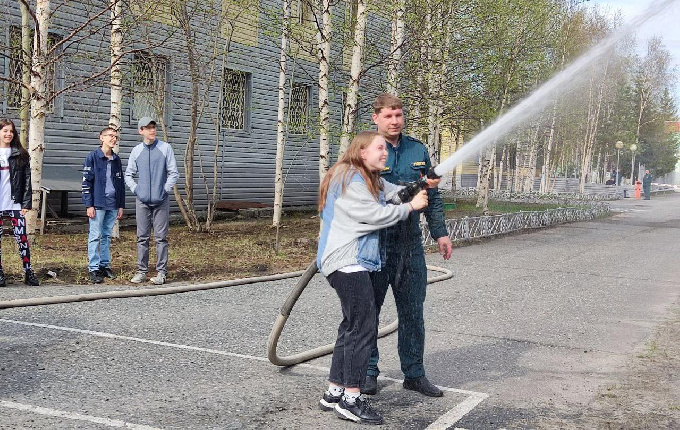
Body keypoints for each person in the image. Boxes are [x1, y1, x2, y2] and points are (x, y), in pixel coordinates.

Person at [317, 131, 429, 425]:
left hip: (349, 261)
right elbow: (375, 215)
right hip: (347, 262)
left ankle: (334, 392)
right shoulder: (350, 178)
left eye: (385, 149)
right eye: (379, 148)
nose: (385, 153)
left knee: (351, 326)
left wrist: (421, 184)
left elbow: (394, 192)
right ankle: (351, 400)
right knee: (364, 327)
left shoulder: (370, 178)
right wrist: (410, 208)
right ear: (362, 151)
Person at [364, 93, 453, 398]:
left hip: (410, 245)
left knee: (413, 312)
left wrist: (440, 232)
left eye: (399, 115)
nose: (395, 121)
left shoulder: (417, 149)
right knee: (368, 313)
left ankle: (414, 374)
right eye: (388, 116)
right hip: (376, 244)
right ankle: (367, 372)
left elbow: (432, 194)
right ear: (375, 118)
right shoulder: (367, 149)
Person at [125, 117, 179, 285]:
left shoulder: (165, 148)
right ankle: (141, 272)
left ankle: (161, 273)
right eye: (148, 128)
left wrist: (164, 189)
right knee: (142, 238)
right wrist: (137, 190)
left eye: (153, 127)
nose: (152, 131)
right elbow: (128, 174)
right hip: (142, 201)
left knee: (161, 238)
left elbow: (173, 173)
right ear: (141, 131)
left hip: (161, 200)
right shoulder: (136, 151)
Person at [81, 127, 125, 284]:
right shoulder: (93, 157)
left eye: (115, 136)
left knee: (107, 235)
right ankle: (93, 268)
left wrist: (121, 205)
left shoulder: (116, 159)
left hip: (113, 204)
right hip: (98, 203)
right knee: (95, 235)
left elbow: (120, 184)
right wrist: (89, 204)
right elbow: (86, 182)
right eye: (110, 136)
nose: (113, 139)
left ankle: (104, 265)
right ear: (102, 138)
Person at [0, 119, 40, 287]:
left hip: (15, 204)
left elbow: (27, 181)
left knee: (22, 238)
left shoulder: (20, 154)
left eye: (11, 131)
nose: (8, 134)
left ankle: (28, 271)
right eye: (5, 131)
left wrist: (26, 203)